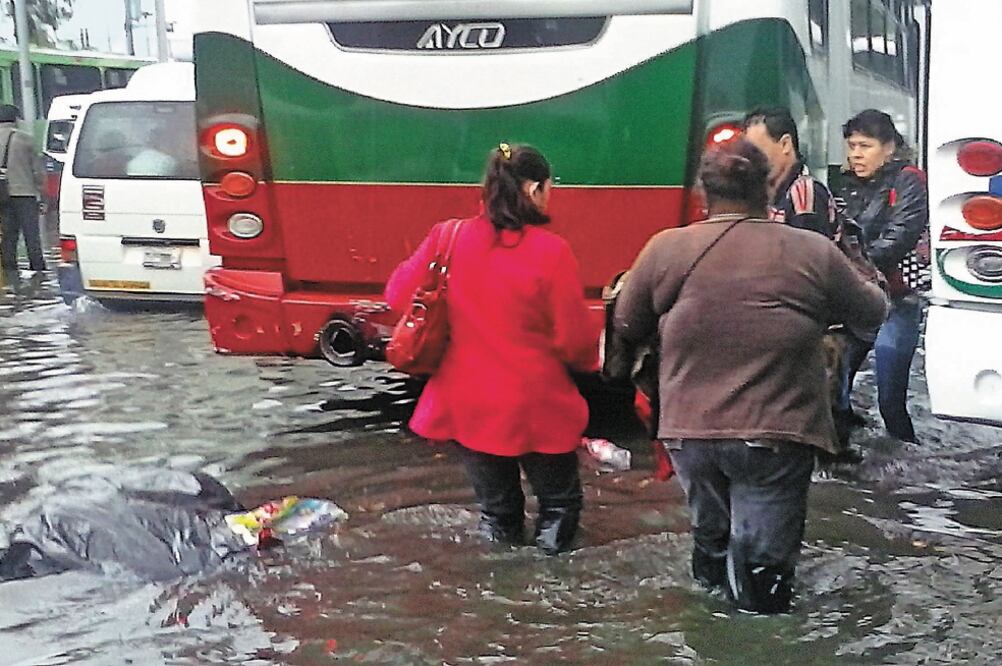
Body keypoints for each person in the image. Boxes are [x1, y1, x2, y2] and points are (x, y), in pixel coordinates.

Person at [611, 140, 887, 613]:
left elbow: (626, 324)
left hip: (690, 433)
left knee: (711, 547)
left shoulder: (666, 249)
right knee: (764, 574)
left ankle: (706, 631)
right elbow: (872, 310)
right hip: (775, 433)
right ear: (770, 187)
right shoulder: (811, 251)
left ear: (703, 192)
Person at [384, 143, 597, 556]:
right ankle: (548, 598)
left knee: (497, 513)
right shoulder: (551, 252)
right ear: (534, 189)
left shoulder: (448, 236)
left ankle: (500, 583)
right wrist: (593, 363)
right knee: (558, 506)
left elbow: (397, 294)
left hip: (467, 402)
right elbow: (575, 343)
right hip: (536, 404)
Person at [836, 109, 929, 443]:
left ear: (888, 147)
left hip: (896, 299)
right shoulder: (848, 185)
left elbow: (901, 233)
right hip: (857, 298)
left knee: (890, 401)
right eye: (851, 146)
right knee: (836, 388)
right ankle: (846, 460)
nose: (855, 154)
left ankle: (907, 467)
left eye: (865, 145)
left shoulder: (909, 180)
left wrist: (850, 269)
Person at [742, 106, 837, 237]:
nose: (750, 160)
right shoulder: (764, 194)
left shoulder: (805, 194)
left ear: (785, 144)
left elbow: (808, 255)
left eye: (757, 151)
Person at [0, 104, 45, 272]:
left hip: (1, 195)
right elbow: (38, 172)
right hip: (25, 194)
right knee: (31, 235)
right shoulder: (25, 139)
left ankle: (9, 270)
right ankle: (38, 271)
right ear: (16, 119)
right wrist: (42, 193)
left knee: (8, 235)